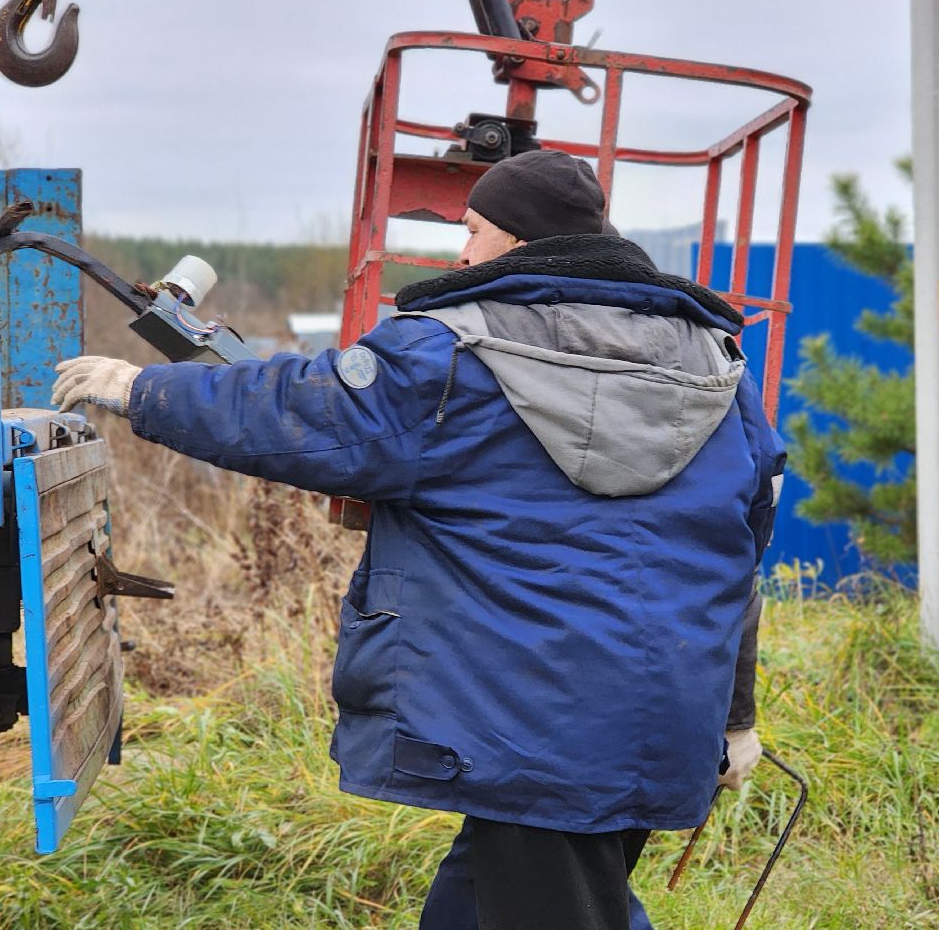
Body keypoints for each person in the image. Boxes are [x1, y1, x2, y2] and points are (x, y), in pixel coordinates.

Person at [52, 150, 783, 930]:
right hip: (660, 715)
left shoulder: (453, 351)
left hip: (529, 726)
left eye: (473, 230)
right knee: (485, 905)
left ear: (516, 240)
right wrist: (733, 715)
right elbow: (736, 558)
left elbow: (307, 409)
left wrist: (142, 389)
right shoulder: (721, 370)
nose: (462, 254)